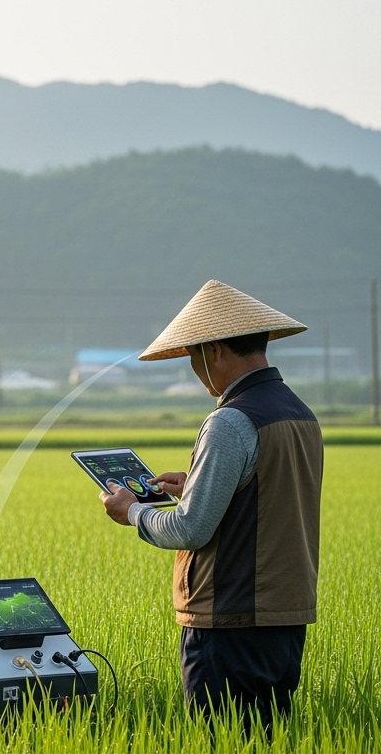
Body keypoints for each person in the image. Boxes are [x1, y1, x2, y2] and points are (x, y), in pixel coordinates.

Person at [99, 280, 324, 735]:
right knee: (266, 738)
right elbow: (265, 498)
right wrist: (198, 487)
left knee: (221, 739)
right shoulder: (299, 414)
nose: (194, 371)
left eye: (193, 357)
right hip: (284, 624)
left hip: (229, 624)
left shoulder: (230, 420)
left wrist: (132, 512)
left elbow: (190, 530)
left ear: (216, 350)